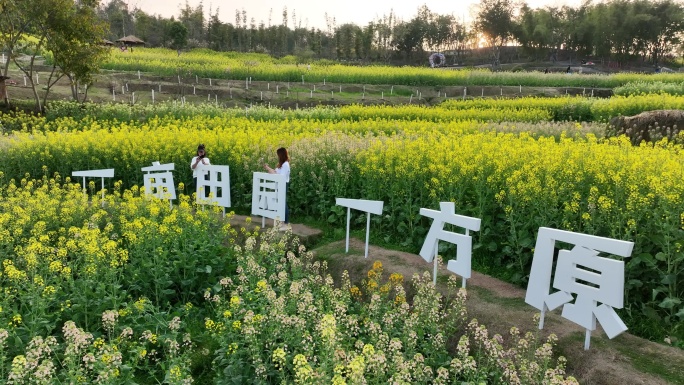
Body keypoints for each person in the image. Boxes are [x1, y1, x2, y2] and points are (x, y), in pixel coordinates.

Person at [264, 147, 290, 230]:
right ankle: (282, 223)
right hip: (280, 185)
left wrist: (273, 172)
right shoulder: (281, 164)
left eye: (278, 155)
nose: (277, 157)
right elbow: (275, 172)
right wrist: (267, 168)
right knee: (281, 204)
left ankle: (285, 224)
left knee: (283, 204)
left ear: (281, 155)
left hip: (283, 184)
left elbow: (280, 176)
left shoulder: (285, 165)